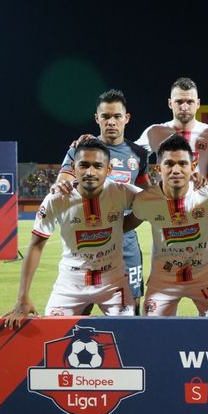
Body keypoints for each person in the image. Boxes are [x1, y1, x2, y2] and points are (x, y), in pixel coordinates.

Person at [3, 139, 138, 328]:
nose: (90, 172)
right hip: (70, 283)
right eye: (84, 165)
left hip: (113, 282)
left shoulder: (123, 192)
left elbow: (156, 202)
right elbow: (35, 246)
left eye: (97, 166)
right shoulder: (56, 199)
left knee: (129, 333)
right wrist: (22, 297)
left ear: (108, 170)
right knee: (52, 333)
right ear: (74, 167)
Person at [125, 134, 208, 317]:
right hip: (163, 280)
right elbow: (125, 224)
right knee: (152, 333)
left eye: (182, 164)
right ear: (158, 168)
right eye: (169, 164)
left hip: (205, 278)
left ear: (192, 167)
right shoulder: (145, 200)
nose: (176, 170)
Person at [56, 89, 149, 314]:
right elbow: (63, 182)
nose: (111, 122)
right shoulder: (81, 149)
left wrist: (125, 225)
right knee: (81, 305)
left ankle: (130, 349)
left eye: (117, 116)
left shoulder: (139, 154)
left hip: (125, 242)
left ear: (126, 118)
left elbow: (145, 198)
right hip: (87, 241)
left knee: (130, 306)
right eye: (105, 117)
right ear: (97, 118)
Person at [135, 77, 208, 177]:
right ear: (170, 103)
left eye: (190, 102)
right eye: (179, 102)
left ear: (198, 104)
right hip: (165, 193)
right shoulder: (155, 132)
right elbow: (128, 155)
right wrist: (144, 182)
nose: (184, 107)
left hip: (201, 193)